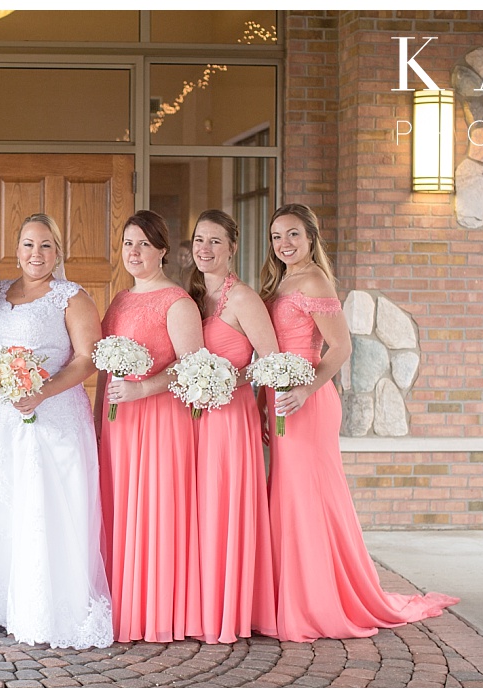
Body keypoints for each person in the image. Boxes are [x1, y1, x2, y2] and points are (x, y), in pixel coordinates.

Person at [261, 203, 458, 642]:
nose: (284, 244)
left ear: (311, 237)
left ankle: (317, 599)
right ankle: (294, 591)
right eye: (276, 236)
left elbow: (341, 346)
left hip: (306, 399)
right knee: (289, 495)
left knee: (308, 497)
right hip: (280, 395)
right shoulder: (281, 280)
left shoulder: (313, 279)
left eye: (293, 234)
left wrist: (305, 389)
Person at [0, 214, 113, 649]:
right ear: (17, 249)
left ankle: (42, 607)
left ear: (59, 252)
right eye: (30, 245)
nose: (37, 254)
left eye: (47, 246)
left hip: (51, 416)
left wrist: (43, 391)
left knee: (44, 505)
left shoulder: (71, 297)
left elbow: (87, 359)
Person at [98, 210, 204, 643]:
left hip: (160, 420)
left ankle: (154, 609)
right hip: (119, 422)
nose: (134, 252)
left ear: (162, 250)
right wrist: (96, 414)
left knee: (155, 510)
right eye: (128, 243)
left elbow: (194, 367)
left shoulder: (177, 301)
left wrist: (146, 390)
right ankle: (119, 605)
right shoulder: (120, 300)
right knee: (121, 509)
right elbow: (105, 362)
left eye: (143, 243)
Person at [186, 209, 279, 643]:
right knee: (195, 510)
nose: (205, 249)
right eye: (199, 240)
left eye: (215, 242)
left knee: (222, 508)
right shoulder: (190, 296)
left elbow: (271, 362)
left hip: (230, 417)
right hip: (190, 420)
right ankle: (198, 605)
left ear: (233, 248)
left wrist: (229, 381)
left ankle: (228, 609)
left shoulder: (242, 299)